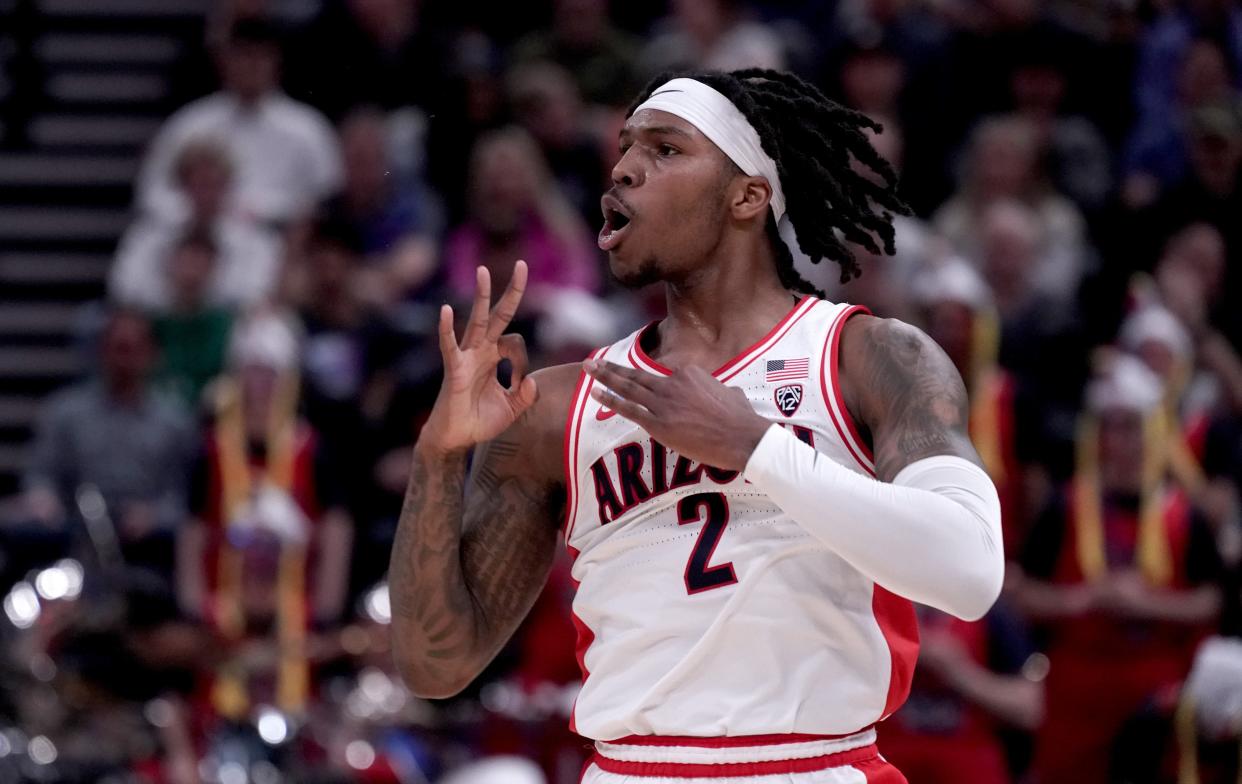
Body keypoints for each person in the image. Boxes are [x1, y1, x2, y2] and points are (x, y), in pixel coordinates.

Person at [388, 68, 1005, 782]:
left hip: (812, 765)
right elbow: (435, 664)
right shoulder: (555, 405)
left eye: (665, 149)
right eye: (624, 149)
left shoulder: (868, 357)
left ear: (748, 196)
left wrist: (757, 448)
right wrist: (437, 458)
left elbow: (970, 571)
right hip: (631, 769)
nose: (623, 168)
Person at [1014, 355, 1222, 784]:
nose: (1120, 440)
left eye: (1131, 426)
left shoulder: (1183, 515)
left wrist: (1149, 606)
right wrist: (1085, 599)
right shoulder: (1064, 505)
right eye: (1110, 425)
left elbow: (1212, 601)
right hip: (1077, 696)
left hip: (1157, 693)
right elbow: (1021, 594)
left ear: (1154, 431)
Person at [19, 309, 196, 577]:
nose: (124, 360)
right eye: (118, 349)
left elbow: (184, 495)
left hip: (149, 543)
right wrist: (43, 498)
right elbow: (41, 475)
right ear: (102, 351)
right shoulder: (65, 413)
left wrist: (155, 515)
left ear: (152, 354)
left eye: (133, 349)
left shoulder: (174, 423)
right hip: (74, 535)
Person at [135, 18, 342, 229]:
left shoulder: (307, 128)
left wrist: (262, 212)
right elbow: (152, 193)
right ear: (224, 61)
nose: (251, 66)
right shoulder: (190, 124)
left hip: (281, 242)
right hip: (201, 243)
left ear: (277, 62)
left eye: (260, 57)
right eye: (243, 55)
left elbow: (328, 198)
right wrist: (201, 211)